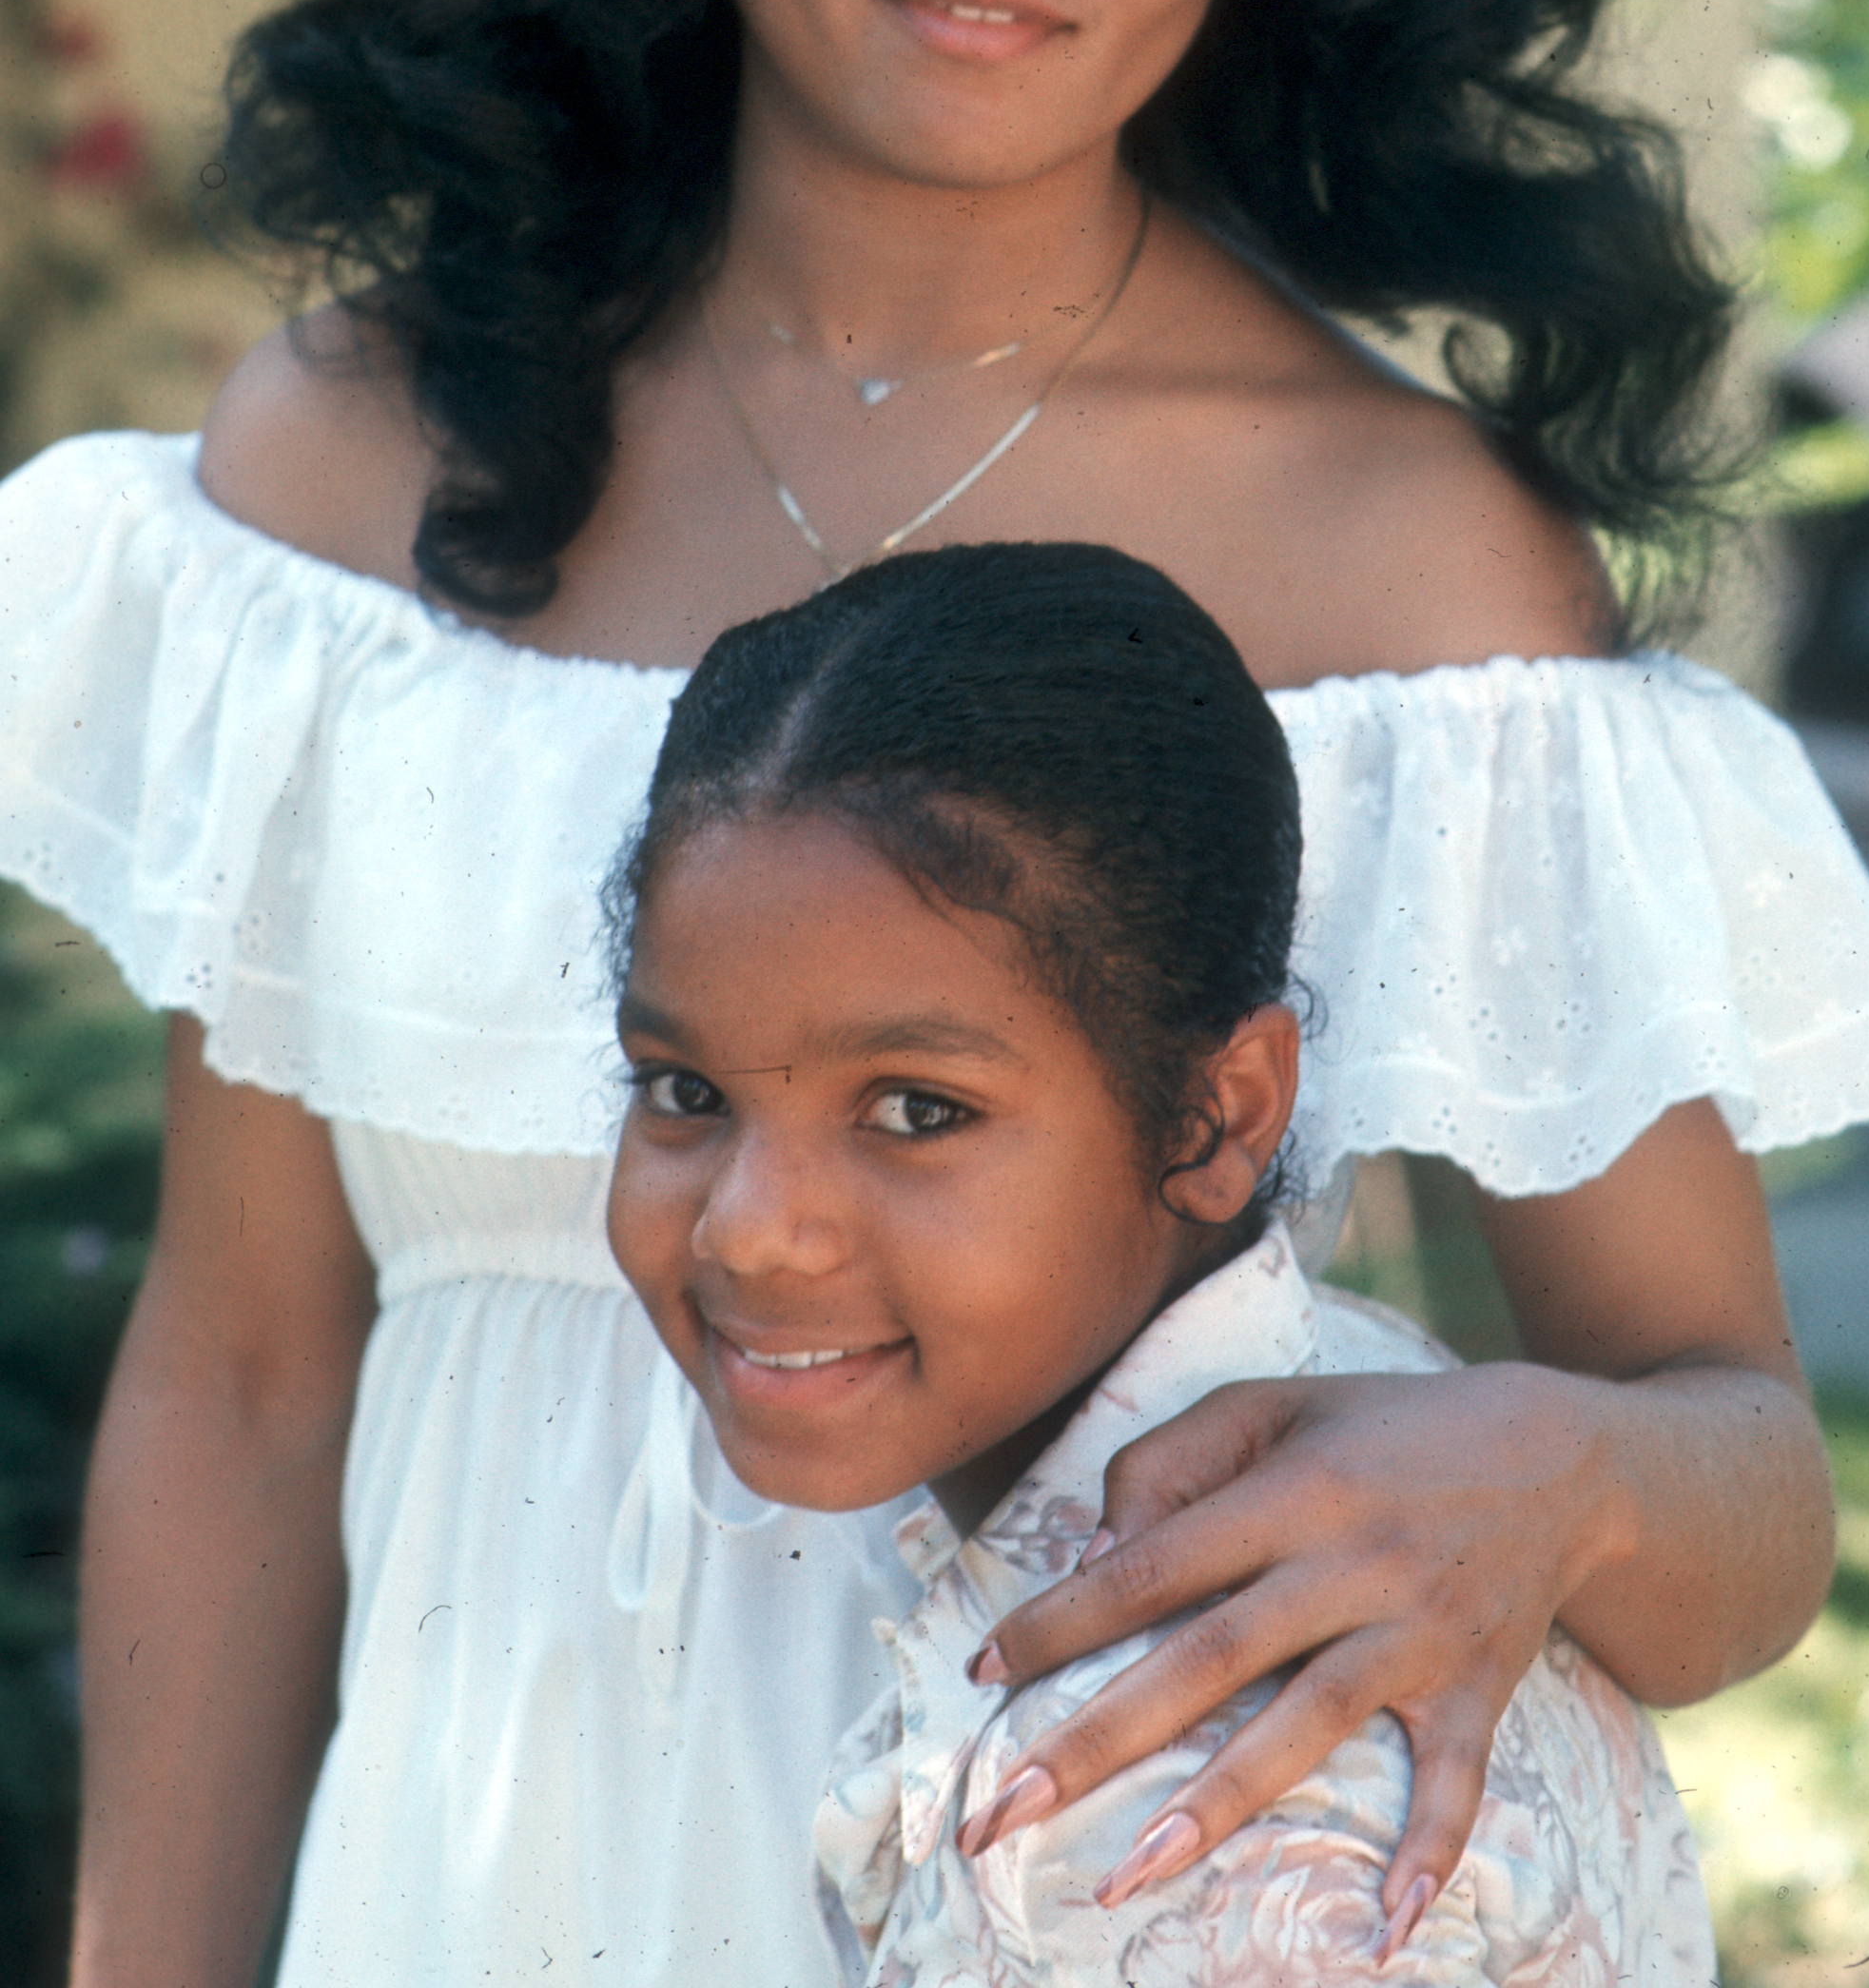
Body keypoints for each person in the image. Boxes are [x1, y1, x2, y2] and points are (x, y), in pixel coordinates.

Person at [0, 0, 1869, 1988]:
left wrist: (1562, 1475)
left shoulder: (1405, 566)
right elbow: (231, 1381)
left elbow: (1741, 1480)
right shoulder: (354, 483)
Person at [605, 536, 1717, 1983]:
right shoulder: (1395, 1410)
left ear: (1220, 1109)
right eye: (685, 1093)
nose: (748, 1227)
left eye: (916, 1111)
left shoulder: (1158, 1809)